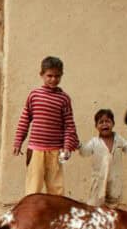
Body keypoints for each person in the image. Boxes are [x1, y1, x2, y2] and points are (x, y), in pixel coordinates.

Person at [13, 56, 79, 195]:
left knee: (56, 188)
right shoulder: (34, 96)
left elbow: (69, 125)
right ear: (41, 75)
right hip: (36, 150)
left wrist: (67, 147)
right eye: (49, 75)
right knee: (33, 187)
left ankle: (55, 214)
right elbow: (25, 120)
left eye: (57, 76)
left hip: (55, 151)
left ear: (61, 75)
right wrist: (18, 142)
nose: (53, 79)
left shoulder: (64, 99)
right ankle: (32, 214)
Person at [78, 108, 127, 206]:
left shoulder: (118, 139)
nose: (105, 124)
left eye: (108, 121)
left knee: (114, 203)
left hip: (115, 178)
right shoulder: (94, 142)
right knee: (95, 204)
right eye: (101, 122)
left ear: (113, 124)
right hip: (99, 179)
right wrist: (78, 145)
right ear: (96, 126)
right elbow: (85, 152)